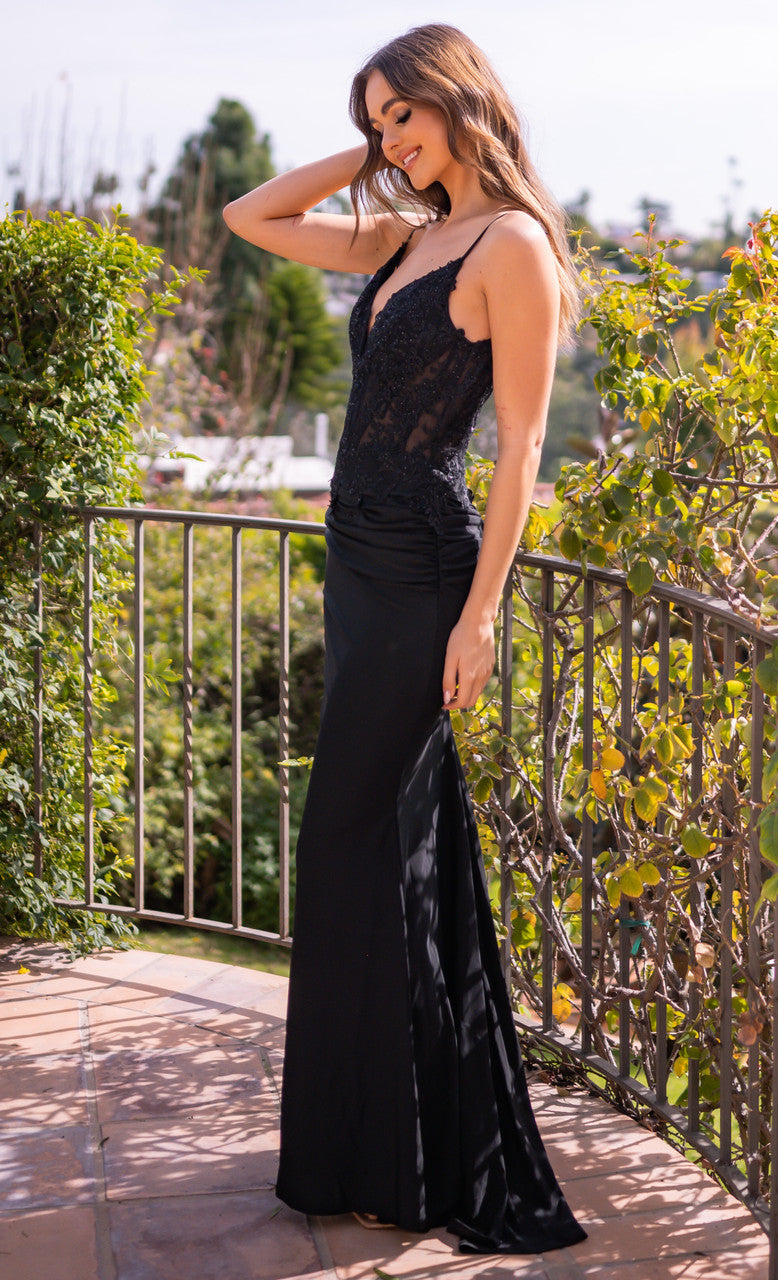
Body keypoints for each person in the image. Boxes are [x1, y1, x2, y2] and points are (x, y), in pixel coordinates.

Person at [223, 22, 587, 1256]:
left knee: (347, 840)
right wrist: (367, 152)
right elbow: (248, 216)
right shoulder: (404, 235)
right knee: (380, 848)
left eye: (404, 113)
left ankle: (402, 1146)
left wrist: (481, 613)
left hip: (425, 572)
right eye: (379, 119)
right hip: (357, 566)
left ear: (457, 97)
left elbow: (523, 448)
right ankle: (382, 1147)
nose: (390, 137)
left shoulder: (511, 246)